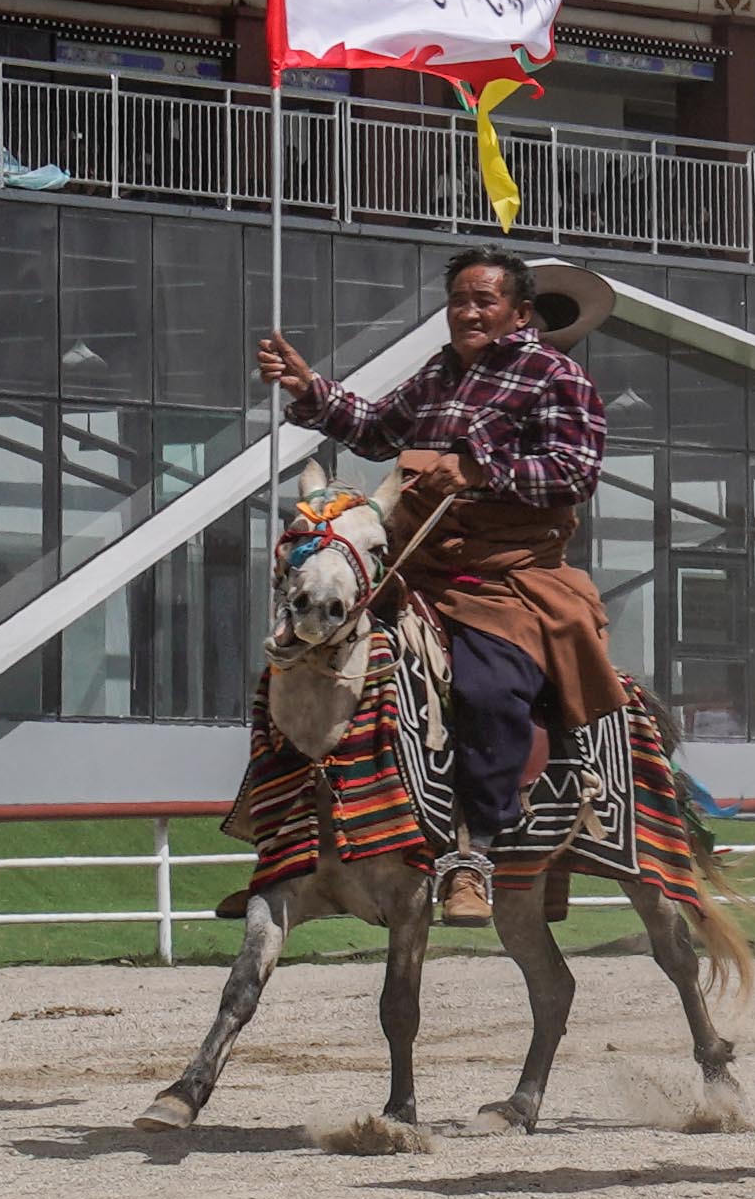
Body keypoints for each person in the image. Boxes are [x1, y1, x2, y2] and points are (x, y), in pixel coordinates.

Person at [254, 246, 627, 911]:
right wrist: (310, 390)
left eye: (484, 299)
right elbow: (374, 431)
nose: (468, 311)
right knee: (302, 650)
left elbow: (575, 471)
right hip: (414, 567)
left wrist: (484, 471)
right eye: (459, 299)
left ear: (520, 311)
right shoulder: (438, 374)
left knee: (488, 686)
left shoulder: (557, 376)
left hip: (504, 578)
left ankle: (472, 853)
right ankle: (288, 843)